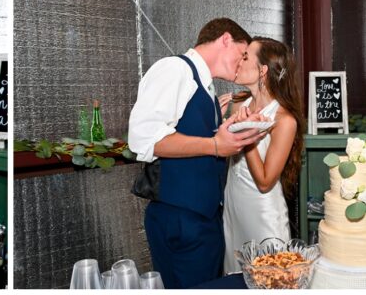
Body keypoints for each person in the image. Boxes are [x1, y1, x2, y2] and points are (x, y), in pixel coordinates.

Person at [127, 18, 268, 289]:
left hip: (202, 218)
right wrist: (216, 145)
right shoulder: (174, 70)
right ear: (226, 40)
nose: (242, 63)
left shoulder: (207, 87)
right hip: (182, 220)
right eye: (242, 54)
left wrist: (231, 132)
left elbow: (199, 140)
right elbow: (143, 138)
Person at [220, 38, 304, 274]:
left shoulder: (284, 120)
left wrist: (246, 134)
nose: (239, 59)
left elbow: (266, 182)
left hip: (262, 212)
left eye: (246, 56)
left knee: (269, 277)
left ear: (262, 70)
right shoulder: (239, 105)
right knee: (235, 278)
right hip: (234, 206)